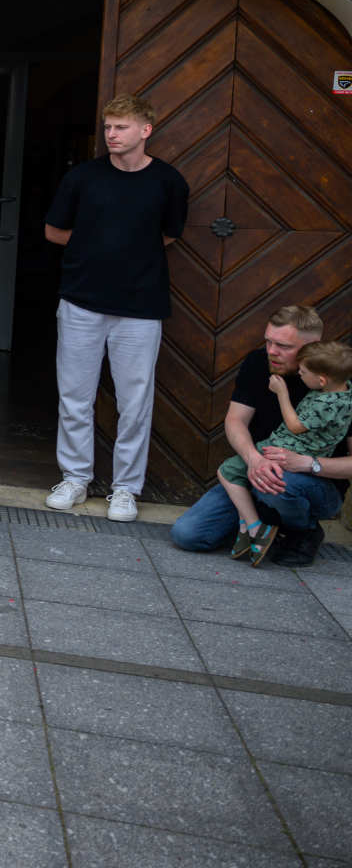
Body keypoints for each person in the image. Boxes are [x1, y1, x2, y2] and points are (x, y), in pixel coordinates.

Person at [43, 95, 188, 521]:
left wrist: (127, 247)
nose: (111, 134)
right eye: (108, 127)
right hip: (82, 302)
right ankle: (75, 478)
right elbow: (53, 231)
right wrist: (98, 243)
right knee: (74, 397)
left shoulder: (168, 182)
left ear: (146, 130)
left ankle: (125, 489)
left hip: (141, 307)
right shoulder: (83, 177)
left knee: (135, 403)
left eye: (121, 127)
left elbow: (170, 234)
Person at [170, 306, 346, 567]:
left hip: (314, 484)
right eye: (268, 341)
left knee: (279, 482)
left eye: (283, 346)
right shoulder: (258, 362)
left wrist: (308, 463)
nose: (271, 351)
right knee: (187, 534)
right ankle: (260, 524)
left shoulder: (340, 384)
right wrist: (253, 458)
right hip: (258, 469)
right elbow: (235, 420)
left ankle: (304, 530)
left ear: (312, 347)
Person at [214, 341, 352, 566]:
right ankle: (247, 525)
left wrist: (282, 393)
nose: (299, 374)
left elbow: (295, 426)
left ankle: (254, 528)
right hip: (290, 450)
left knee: (228, 471)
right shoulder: (345, 392)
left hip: (286, 450)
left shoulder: (325, 404)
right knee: (192, 531)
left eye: (303, 372)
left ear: (322, 381)